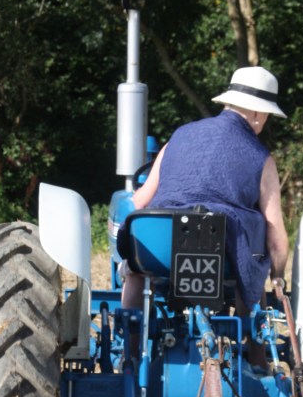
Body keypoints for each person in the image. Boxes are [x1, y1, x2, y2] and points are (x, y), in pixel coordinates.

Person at [121, 66, 289, 317]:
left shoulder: (178, 137)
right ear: (257, 113)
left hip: (162, 251)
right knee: (251, 263)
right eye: (267, 116)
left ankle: (131, 336)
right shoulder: (262, 159)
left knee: (136, 269)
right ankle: (250, 337)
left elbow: (139, 201)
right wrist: (277, 276)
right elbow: (276, 238)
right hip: (227, 255)